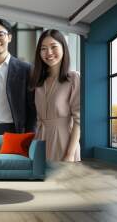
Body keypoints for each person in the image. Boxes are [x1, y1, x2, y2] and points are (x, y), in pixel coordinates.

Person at [30, 29, 80, 162]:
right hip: (40, 140)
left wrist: (70, 154)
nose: (49, 53)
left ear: (63, 48)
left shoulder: (73, 78)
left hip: (63, 141)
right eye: (43, 48)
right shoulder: (39, 82)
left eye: (53, 47)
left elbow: (78, 121)